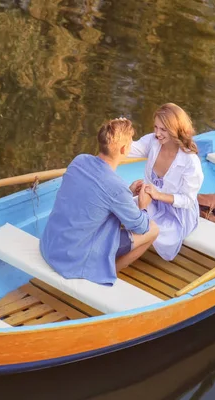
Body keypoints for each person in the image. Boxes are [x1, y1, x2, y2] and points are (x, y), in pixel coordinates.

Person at [40, 118, 159, 286]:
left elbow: (97, 193)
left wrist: (128, 192)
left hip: (50, 245)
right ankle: (107, 272)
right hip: (72, 259)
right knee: (153, 229)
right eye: (131, 144)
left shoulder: (79, 160)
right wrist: (143, 205)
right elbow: (141, 226)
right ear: (124, 149)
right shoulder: (115, 188)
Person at [128, 103, 204, 261]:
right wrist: (119, 131)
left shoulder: (190, 161)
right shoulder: (153, 142)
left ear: (177, 129)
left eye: (163, 130)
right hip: (150, 201)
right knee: (121, 210)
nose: (157, 133)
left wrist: (158, 195)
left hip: (177, 213)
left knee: (160, 232)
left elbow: (188, 200)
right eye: (156, 127)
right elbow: (128, 149)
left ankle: (125, 257)